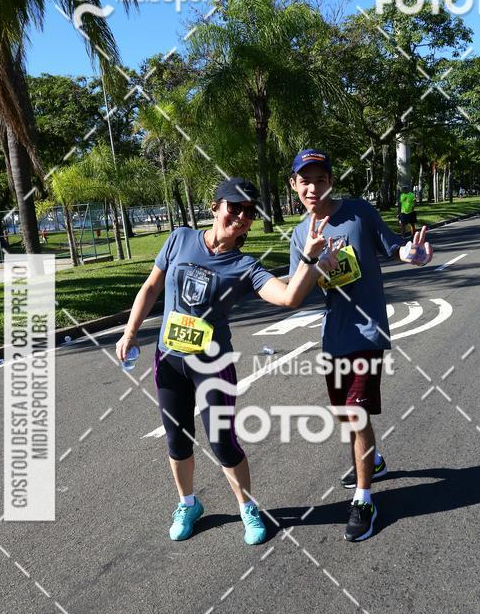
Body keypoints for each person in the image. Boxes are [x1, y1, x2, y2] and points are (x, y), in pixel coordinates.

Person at [116, 176, 340, 546]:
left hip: (212, 366)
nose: (240, 216)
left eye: (248, 212)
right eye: (233, 207)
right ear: (215, 207)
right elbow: (151, 287)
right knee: (177, 439)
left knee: (222, 443)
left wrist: (310, 261)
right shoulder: (179, 238)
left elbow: (287, 298)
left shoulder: (245, 266)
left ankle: (247, 507)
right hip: (169, 360)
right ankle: (188, 503)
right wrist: (130, 332)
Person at [288, 149, 432, 543]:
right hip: (333, 336)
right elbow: (295, 292)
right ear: (294, 185)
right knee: (344, 415)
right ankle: (376, 462)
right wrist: (312, 261)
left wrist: (411, 254)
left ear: (330, 181)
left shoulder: (358, 212)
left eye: (320, 179)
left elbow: (394, 247)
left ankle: (364, 498)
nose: (313, 187)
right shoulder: (300, 233)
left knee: (356, 413)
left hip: (368, 333)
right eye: (306, 181)